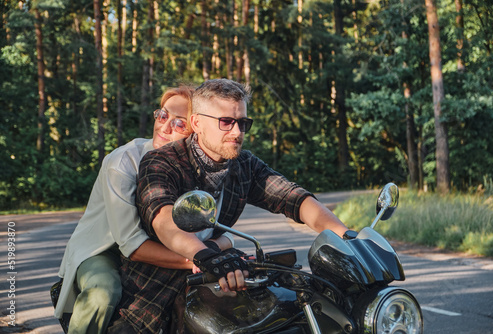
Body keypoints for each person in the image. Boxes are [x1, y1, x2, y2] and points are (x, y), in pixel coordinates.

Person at [111, 78, 351, 334]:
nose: (237, 132)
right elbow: (163, 218)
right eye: (226, 122)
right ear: (197, 123)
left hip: (210, 292)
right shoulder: (161, 162)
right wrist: (208, 256)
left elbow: (294, 198)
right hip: (151, 300)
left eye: (242, 123)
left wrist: (347, 237)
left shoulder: (244, 165)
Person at [54, 85, 233, 334]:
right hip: (106, 250)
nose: (164, 126)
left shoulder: (204, 168)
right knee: (102, 294)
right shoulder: (122, 162)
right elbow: (131, 244)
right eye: (162, 115)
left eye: (178, 123)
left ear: (197, 130)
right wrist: (202, 259)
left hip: (163, 249)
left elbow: (216, 233)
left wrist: (213, 251)